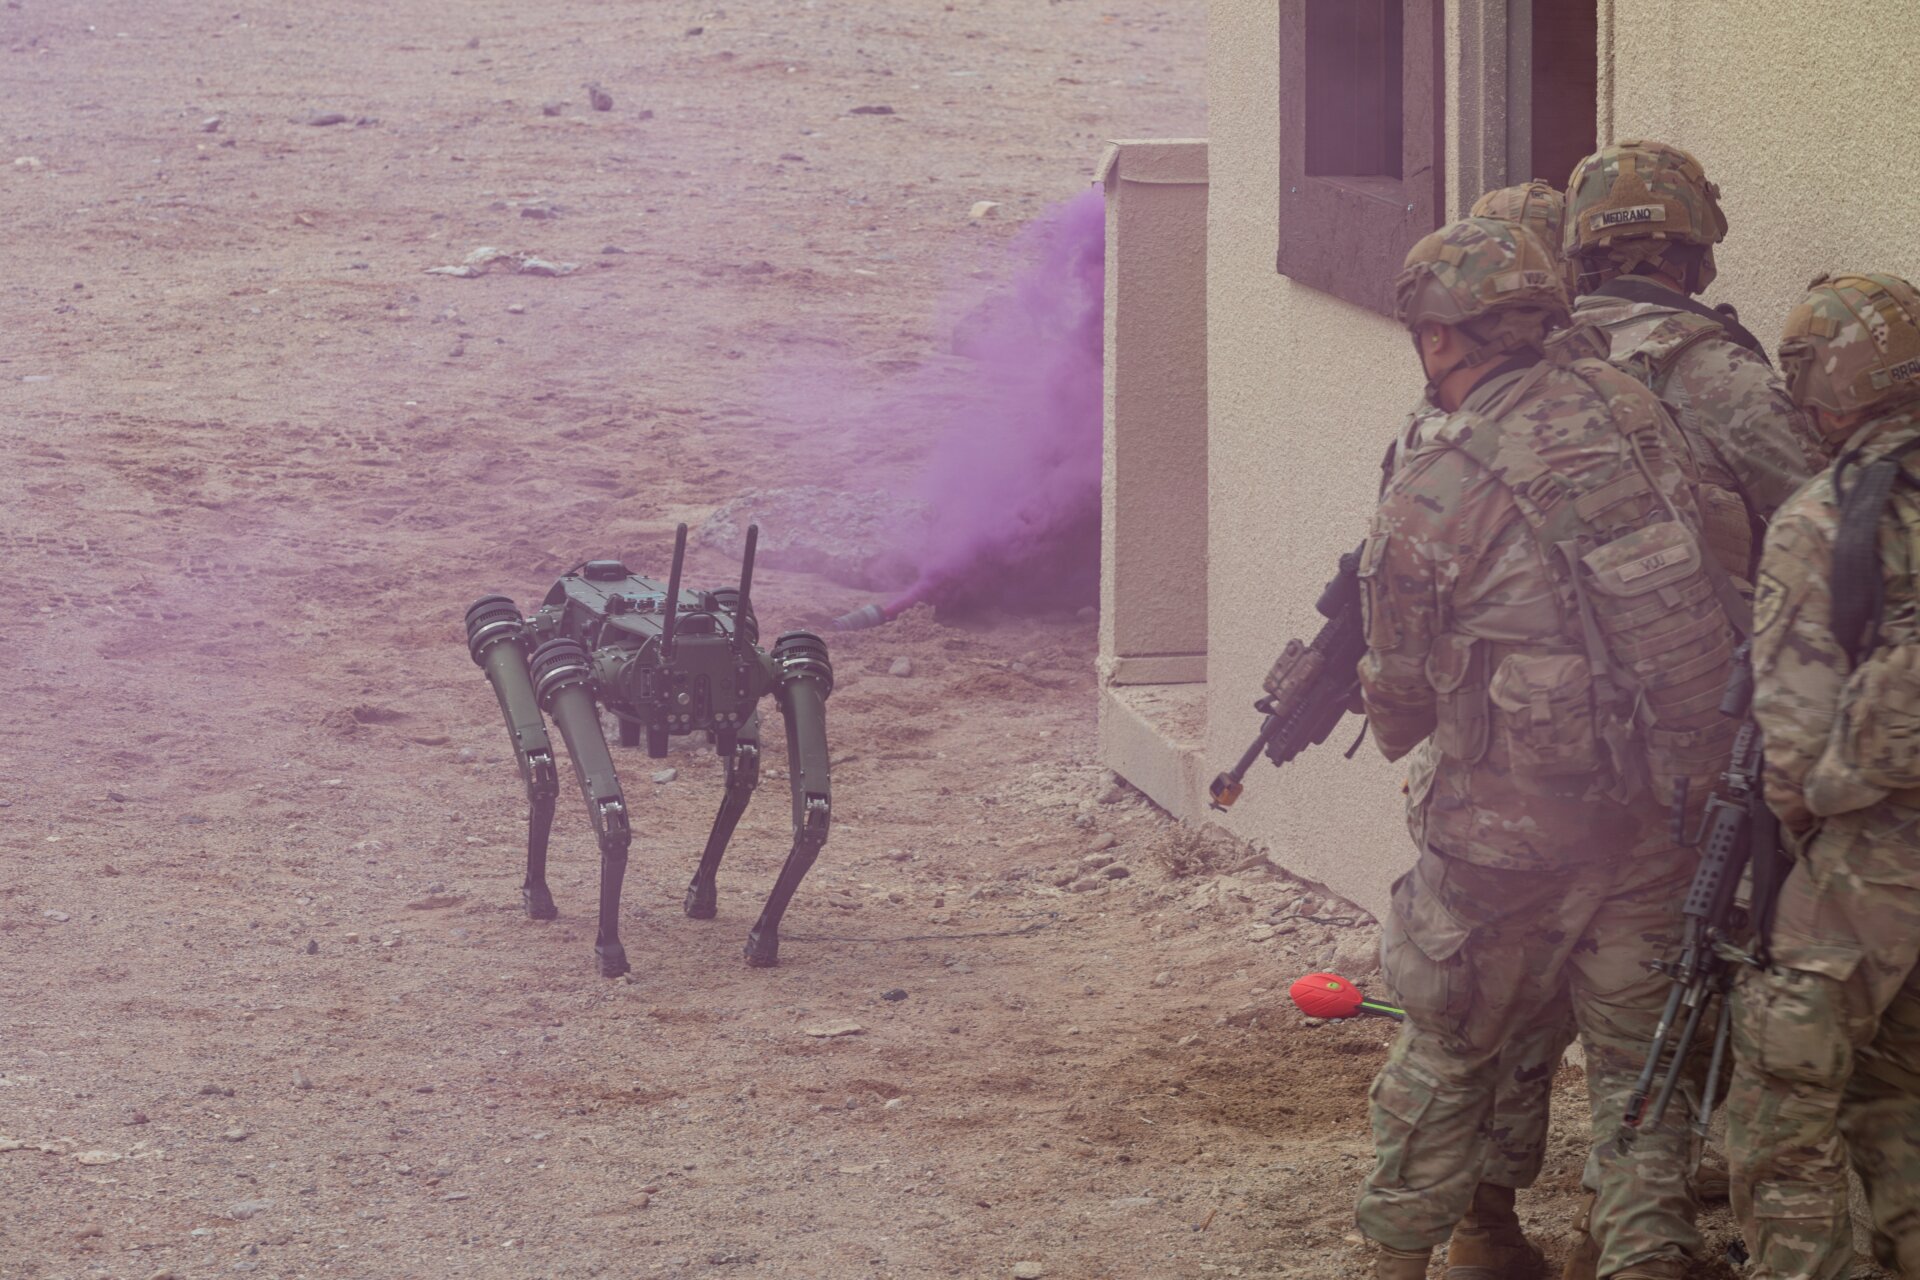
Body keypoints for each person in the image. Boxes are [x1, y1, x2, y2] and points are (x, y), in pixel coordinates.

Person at [1356, 215, 1737, 1280]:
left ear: (1439, 337)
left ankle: (1402, 1261)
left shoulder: (1437, 483)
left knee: (1445, 1045)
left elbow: (1393, 695)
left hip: (1505, 834)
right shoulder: (1632, 406)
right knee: (1636, 1073)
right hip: (1661, 811)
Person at [1378, 180, 1580, 1280]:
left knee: (1460, 1017)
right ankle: (1490, 1221)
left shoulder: (1446, 430)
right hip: (1592, 780)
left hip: (1498, 778)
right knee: (1524, 1015)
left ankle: (1464, 1228)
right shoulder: (1615, 404)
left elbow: (1398, 654)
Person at [1729, 272, 1920, 1280]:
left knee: (1781, 1120)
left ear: (1830, 390)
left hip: (1871, 867)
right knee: (1902, 1093)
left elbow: (1796, 758)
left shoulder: (1825, 516)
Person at [1563, 140, 1828, 582]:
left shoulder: (1531, 356)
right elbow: (1827, 519)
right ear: (1697, 247)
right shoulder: (1716, 368)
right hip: (1686, 638)